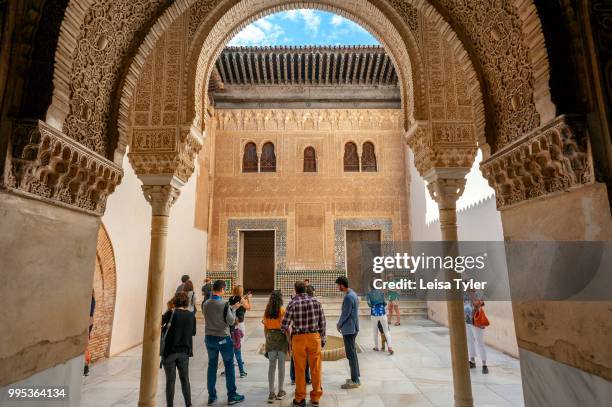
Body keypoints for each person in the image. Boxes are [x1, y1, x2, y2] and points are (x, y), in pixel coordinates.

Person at [281, 281, 326, 407]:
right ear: (305, 289)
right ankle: (316, 398)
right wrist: (322, 339)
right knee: (316, 369)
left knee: (300, 370)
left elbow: (284, 325)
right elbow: (322, 323)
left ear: (295, 290)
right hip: (314, 337)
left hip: (298, 339)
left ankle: (300, 399)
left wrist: (289, 340)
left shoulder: (292, 303)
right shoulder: (316, 302)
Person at [202, 279, 246, 405]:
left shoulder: (205, 303)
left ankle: (212, 396)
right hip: (223, 338)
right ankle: (232, 395)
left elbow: (211, 316)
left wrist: (229, 308)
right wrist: (232, 309)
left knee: (212, 366)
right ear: (222, 289)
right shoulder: (224, 304)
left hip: (209, 338)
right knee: (229, 365)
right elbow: (231, 321)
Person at [161, 292, 196, 407]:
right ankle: (189, 404)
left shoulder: (171, 313)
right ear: (186, 302)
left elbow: (159, 323)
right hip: (184, 352)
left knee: (170, 381)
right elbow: (193, 332)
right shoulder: (191, 315)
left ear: (175, 301)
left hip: (170, 352)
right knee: (185, 379)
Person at [262, 290, 288, 403]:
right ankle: (281, 391)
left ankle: (271, 393)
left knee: (271, 366)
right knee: (281, 366)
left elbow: (265, 327)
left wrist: (267, 339)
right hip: (281, 337)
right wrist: (290, 341)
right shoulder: (282, 310)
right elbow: (285, 327)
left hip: (270, 337)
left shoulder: (267, 311)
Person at [335, 276, 361, 389]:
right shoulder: (353, 294)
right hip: (353, 327)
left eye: (338, 285)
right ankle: (355, 377)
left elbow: (345, 313)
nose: (337, 287)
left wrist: (339, 324)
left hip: (349, 329)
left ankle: (355, 380)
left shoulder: (348, 297)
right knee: (352, 353)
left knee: (351, 354)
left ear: (342, 285)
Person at [228, 285, 251, 377]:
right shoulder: (241, 299)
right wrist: (248, 299)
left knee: (234, 341)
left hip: (232, 323)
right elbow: (249, 307)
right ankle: (237, 361)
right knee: (239, 342)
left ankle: (235, 360)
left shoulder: (231, 298)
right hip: (240, 322)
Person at [464, 288, 489, 374]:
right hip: (467, 320)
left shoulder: (478, 292)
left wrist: (473, 296)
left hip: (477, 321)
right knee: (470, 341)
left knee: (480, 342)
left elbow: (481, 303)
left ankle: (484, 364)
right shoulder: (464, 294)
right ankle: (472, 361)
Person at [366, 284, 394, 355]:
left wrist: (373, 305)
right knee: (386, 331)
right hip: (382, 313)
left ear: (370, 287)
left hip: (374, 314)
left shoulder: (369, 294)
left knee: (375, 331)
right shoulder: (381, 293)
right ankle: (390, 347)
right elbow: (384, 303)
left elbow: (369, 304)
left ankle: (376, 347)